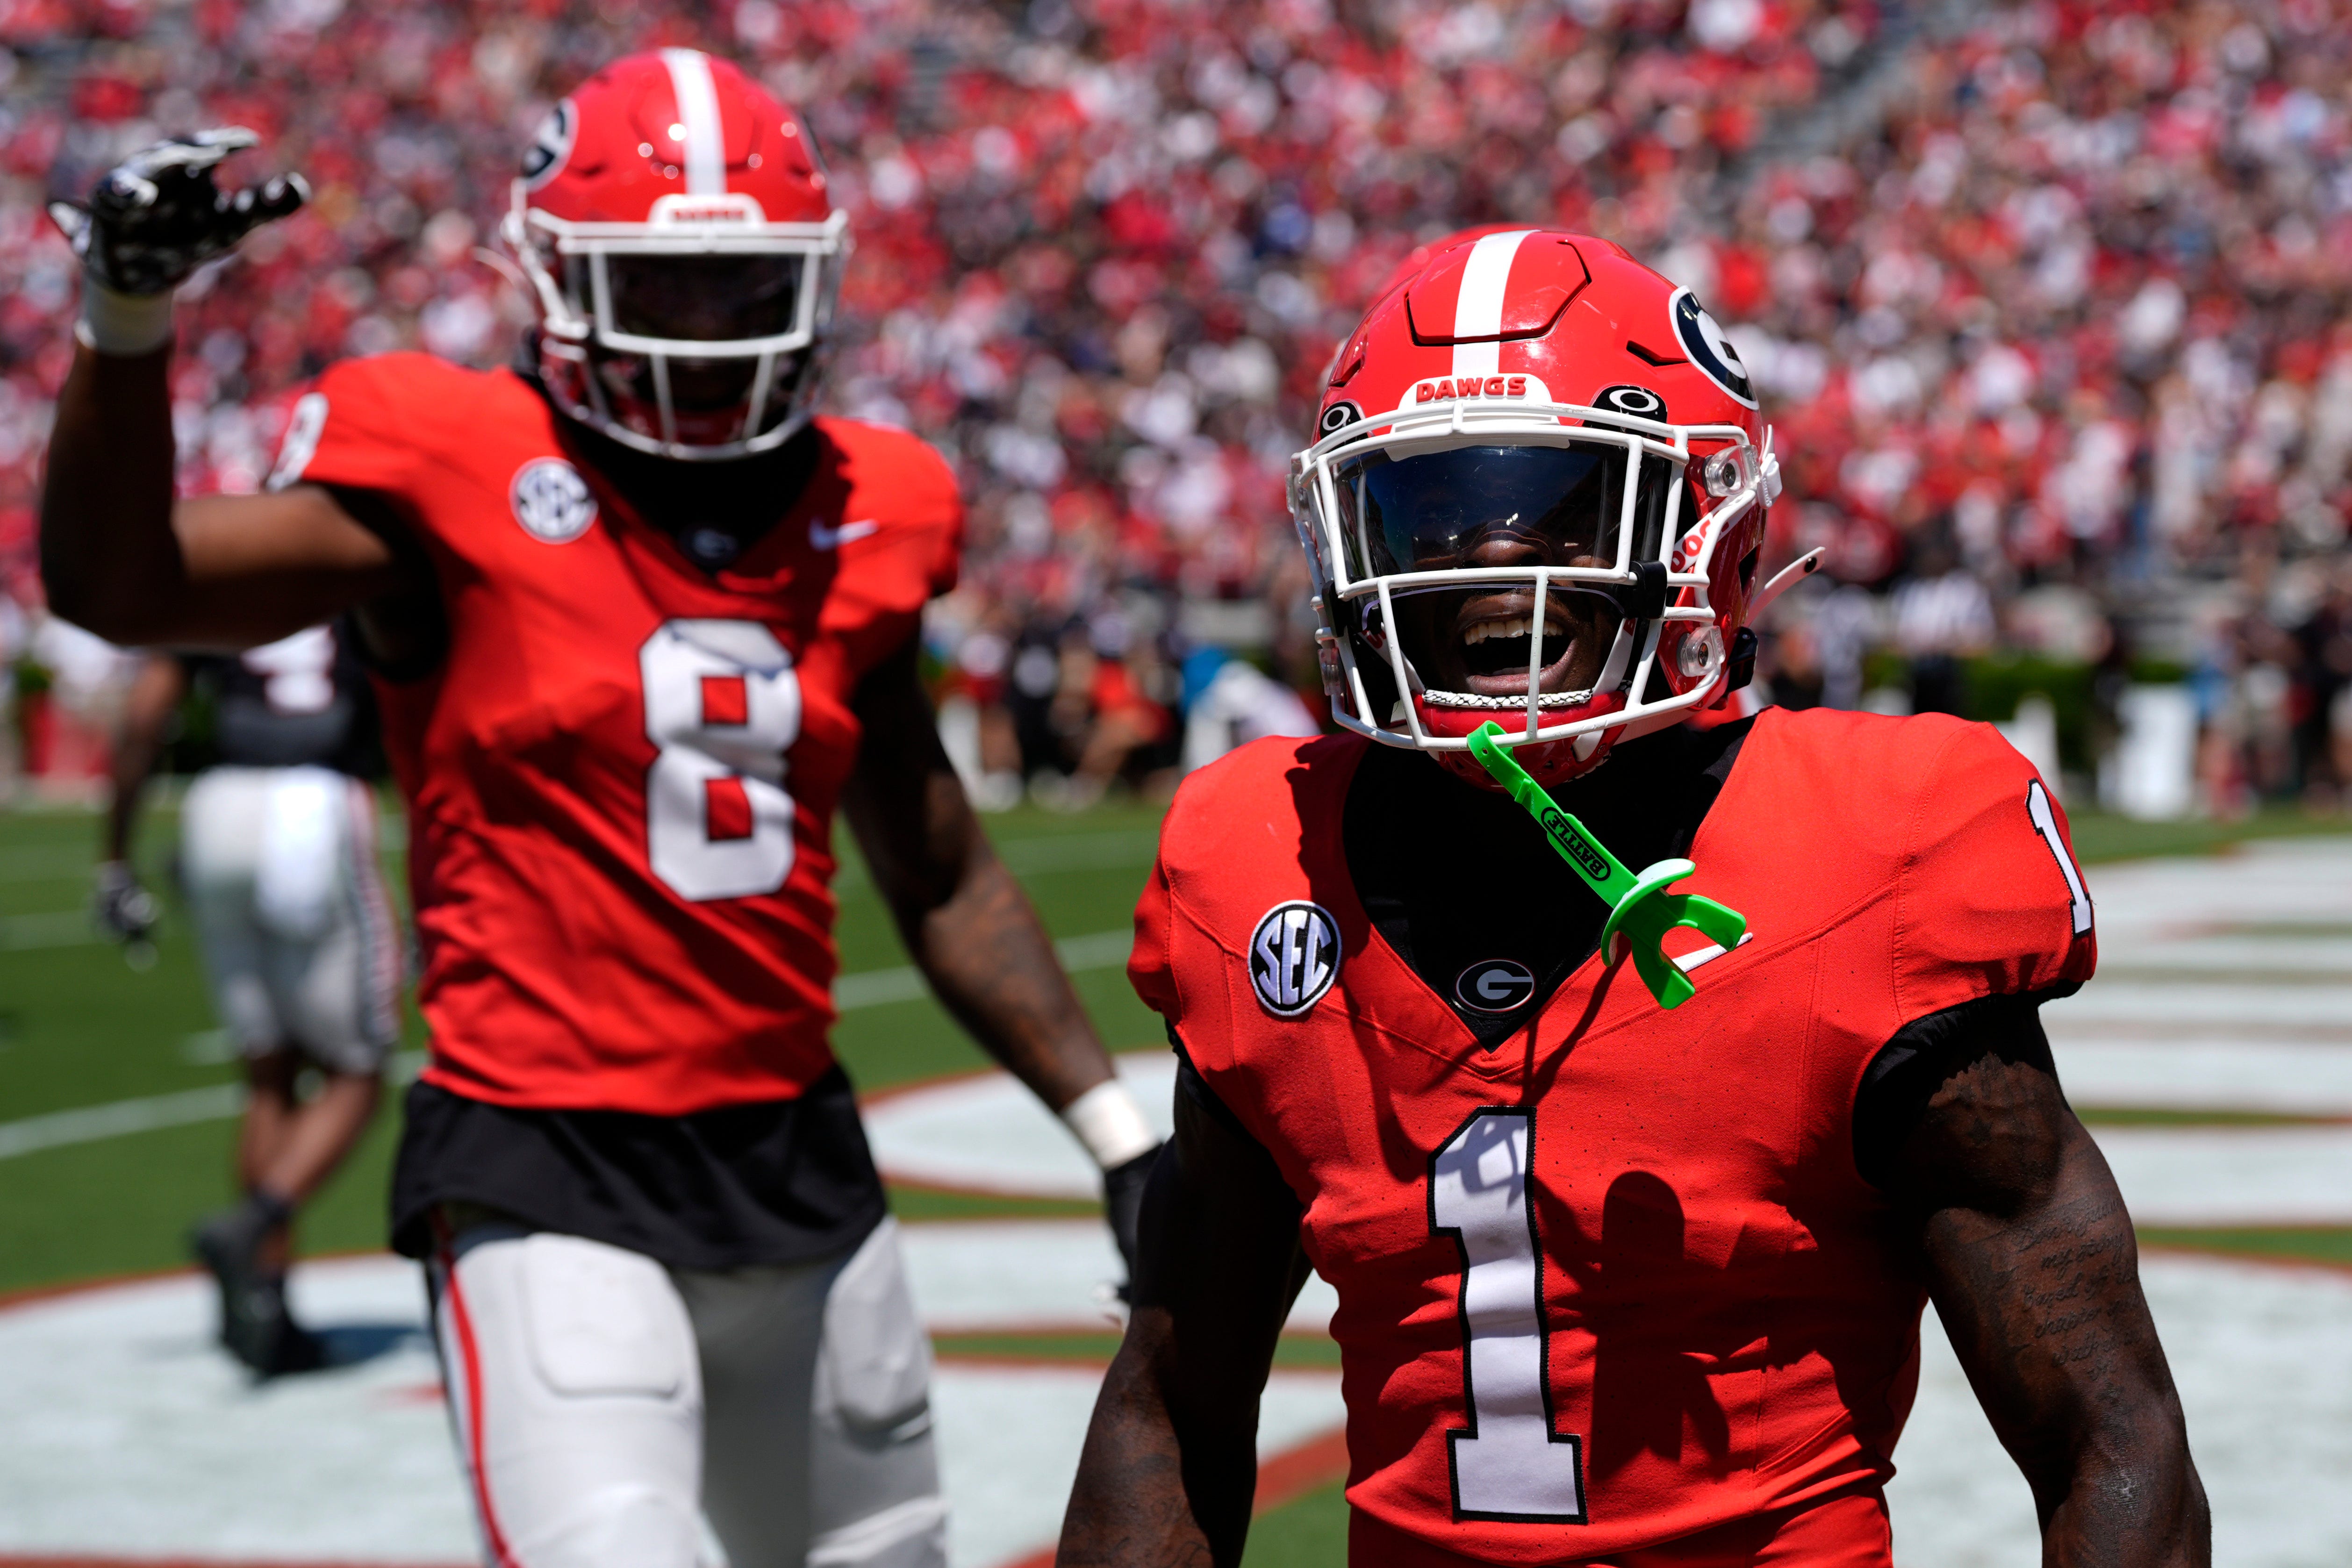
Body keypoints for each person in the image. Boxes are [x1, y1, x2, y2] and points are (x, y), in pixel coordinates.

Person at [43, 52, 1160, 1568]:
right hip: (545, 1166)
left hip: (801, 1168)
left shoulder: (875, 502)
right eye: (661, 283)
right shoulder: (449, 458)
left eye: (743, 285)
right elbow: (126, 586)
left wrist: (1110, 1129)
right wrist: (127, 325)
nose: (703, 328)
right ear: (557, 279)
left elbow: (938, 858)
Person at [1062, 229, 2206, 1566]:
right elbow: (1171, 1399)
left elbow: (2111, 1438)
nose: (1483, 566)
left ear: (1705, 527)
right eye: (1422, 515)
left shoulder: (1872, 858)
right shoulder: (1265, 857)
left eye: (1552, 507)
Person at [98, 628, 397, 1376]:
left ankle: (268, 1307)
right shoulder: (347, 561)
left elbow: (145, 715)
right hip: (318, 802)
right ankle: (254, 1225)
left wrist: (115, 856)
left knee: (268, 1076)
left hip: (220, 803)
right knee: (359, 1071)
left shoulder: (226, 563)